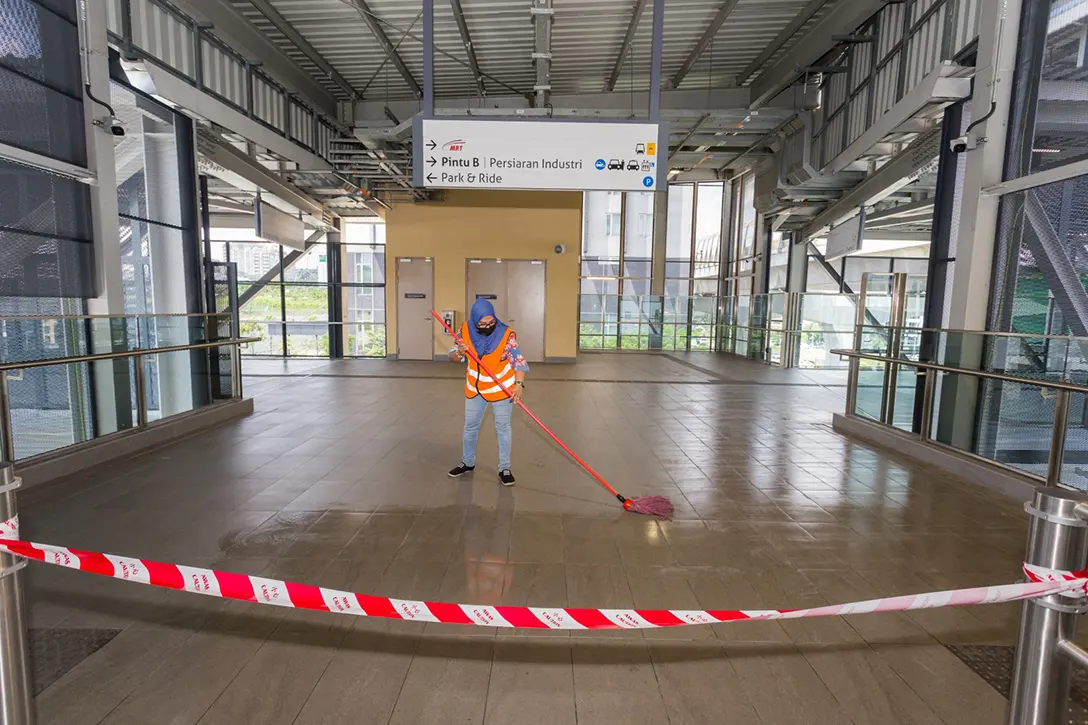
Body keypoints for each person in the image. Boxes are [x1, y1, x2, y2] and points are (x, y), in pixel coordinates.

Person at [447, 298, 529, 486]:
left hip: (501, 389)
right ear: (475, 320)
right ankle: (467, 462)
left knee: (503, 428)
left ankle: (504, 468)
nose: (488, 326)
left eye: (491, 322)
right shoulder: (465, 330)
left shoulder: (505, 335)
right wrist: (459, 352)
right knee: (470, 427)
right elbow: (452, 357)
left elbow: (519, 361)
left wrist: (518, 384)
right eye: (482, 324)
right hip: (475, 389)